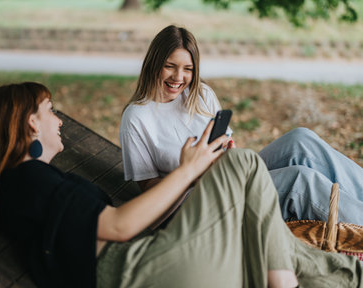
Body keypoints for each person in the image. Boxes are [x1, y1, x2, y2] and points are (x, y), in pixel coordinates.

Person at [0, 82, 362, 288]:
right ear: (31, 121)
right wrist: (189, 170)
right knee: (242, 163)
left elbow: (130, 226)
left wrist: (196, 168)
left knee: (283, 239)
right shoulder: (26, 179)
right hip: (143, 269)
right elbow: (118, 226)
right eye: (50, 111)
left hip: (155, 258)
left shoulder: (30, 184)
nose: (58, 119)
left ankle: (348, 274)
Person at [120, 25, 363, 226]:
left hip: (229, 175)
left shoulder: (201, 94)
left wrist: (229, 152)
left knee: (301, 140)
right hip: (197, 206)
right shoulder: (137, 117)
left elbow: (225, 145)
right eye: (170, 66)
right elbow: (149, 192)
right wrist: (192, 174)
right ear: (154, 64)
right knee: (299, 181)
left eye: (188, 69)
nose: (178, 78)